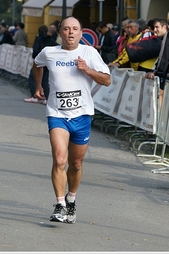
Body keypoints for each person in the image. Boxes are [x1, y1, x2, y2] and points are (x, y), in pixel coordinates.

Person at [33, 16, 111, 223]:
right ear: (60, 33)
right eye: (66, 29)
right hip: (57, 114)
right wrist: (38, 86)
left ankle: (71, 200)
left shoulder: (89, 53)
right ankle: (60, 205)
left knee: (75, 163)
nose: (70, 32)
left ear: (81, 33)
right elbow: (36, 64)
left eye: (75, 29)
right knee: (59, 159)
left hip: (82, 114)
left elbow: (107, 80)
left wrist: (87, 70)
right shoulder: (49, 52)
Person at [24, 25, 58, 104]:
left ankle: (34, 96)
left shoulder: (38, 39)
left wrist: (36, 57)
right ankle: (46, 98)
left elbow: (35, 50)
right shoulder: (50, 39)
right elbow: (57, 46)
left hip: (39, 62)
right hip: (48, 62)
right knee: (45, 80)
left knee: (33, 77)